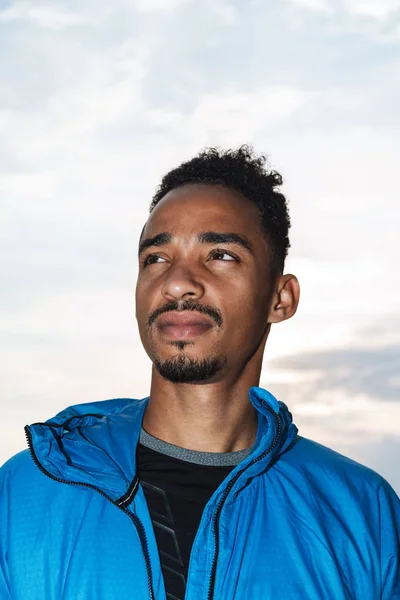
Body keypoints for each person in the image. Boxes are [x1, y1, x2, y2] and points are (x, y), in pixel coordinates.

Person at [0, 146, 399, 600]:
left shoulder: (363, 513)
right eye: (156, 258)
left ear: (280, 299)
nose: (176, 282)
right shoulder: (24, 493)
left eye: (221, 255)